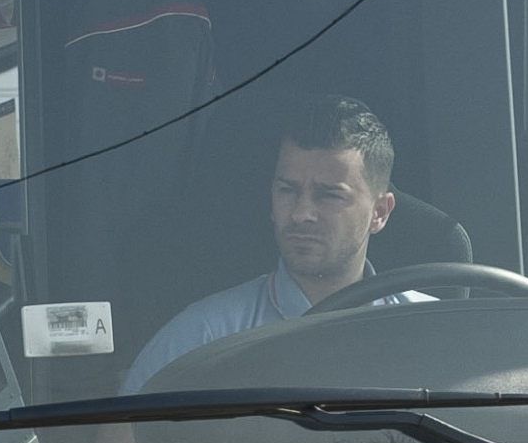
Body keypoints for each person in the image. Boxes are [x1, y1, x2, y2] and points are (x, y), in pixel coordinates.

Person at [126, 97, 413, 388]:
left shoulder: (431, 327)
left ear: (379, 212)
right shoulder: (206, 337)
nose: (301, 214)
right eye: (288, 190)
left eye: (329, 195)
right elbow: (121, 433)